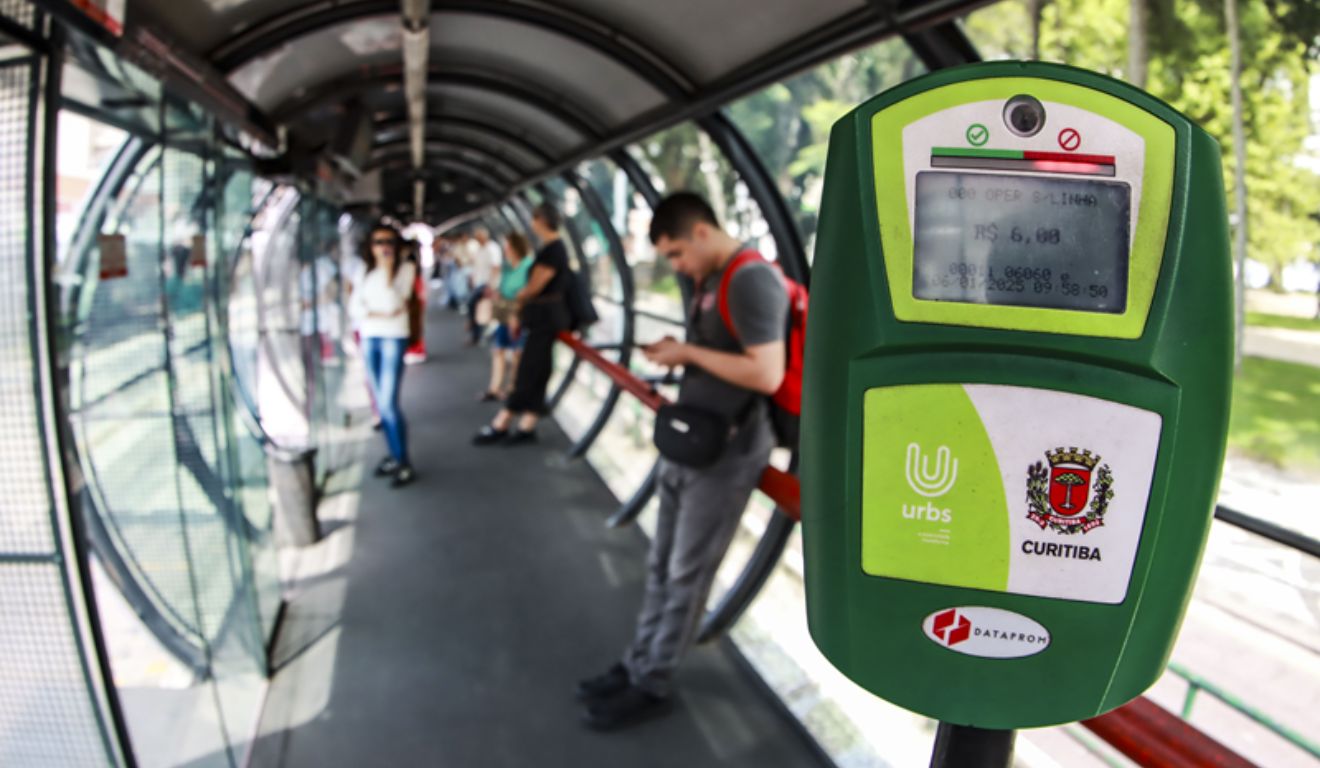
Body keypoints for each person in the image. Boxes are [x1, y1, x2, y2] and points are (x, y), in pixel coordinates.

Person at [576, 193, 787, 730]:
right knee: (661, 565)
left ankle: (654, 680)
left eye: (675, 254)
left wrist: (688, 353)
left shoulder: (749, 279)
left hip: (727, 452)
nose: (676, 267)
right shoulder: (712, 280)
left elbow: (768, 374)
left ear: (701, 232)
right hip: (693, 439)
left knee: (685, 574)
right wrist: (684, 350)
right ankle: (637, 662)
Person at [472, 204, 572, 445]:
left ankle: (503, 421)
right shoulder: (553, 249)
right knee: (538, 370)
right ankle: (527, 424)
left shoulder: (553, 250)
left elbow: (535, 285)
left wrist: (520, 300)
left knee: (528, 369)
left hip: (543, 321)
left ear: (540, 221)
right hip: (543, 319)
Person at [351, 221, 418, 486]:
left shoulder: (406, 269)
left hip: (393, 337)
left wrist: (389, 272)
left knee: (389, 403)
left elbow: (394, 303)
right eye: (379, 242)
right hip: (370, 338)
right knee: (380, 403)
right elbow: (355, 308)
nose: (384, 247)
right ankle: (393, 454)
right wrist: (377, 312)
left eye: (389, 242)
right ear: (371, 246)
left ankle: (403, 460)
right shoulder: (363, 271)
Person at [481, 232, 534, 401]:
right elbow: (503, 286)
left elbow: (527, 292)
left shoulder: (528, 266)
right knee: (499, 349)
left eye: (509, 245)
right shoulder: (506, 266)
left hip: (521, 312)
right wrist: (495, 293)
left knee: (518, 353)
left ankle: (513, 388)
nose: (506, 249)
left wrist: (517, 314)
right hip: (505, 311)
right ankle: (494, 388)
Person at [466, 227, 503, 345]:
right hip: (479, 282)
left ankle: (478, 332)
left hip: (487, 284)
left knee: (475, 305)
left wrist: (491, 285)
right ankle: (477, 333)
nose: (477, 240)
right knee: (478, 308)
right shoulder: (479, 249)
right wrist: (473, 278)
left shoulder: (492, 248)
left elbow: (496, 268)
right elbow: (476, 266)